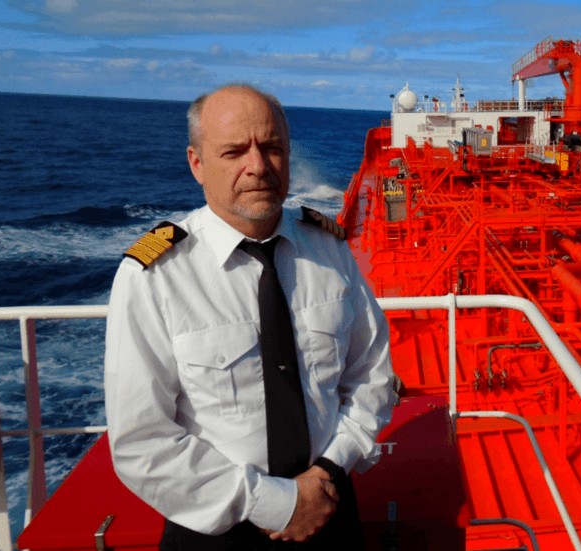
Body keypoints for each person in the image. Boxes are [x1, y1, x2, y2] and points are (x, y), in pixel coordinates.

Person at [104, 84, 395, 550]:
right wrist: (277, 502)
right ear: (197, 163)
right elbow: (142, 441)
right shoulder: (155, 276)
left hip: (331, 508)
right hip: (218, 528)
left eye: (272, 148)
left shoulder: (330, 251)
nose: (258, 166)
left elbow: (372, 376)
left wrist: (328, 472)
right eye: (234, 151)